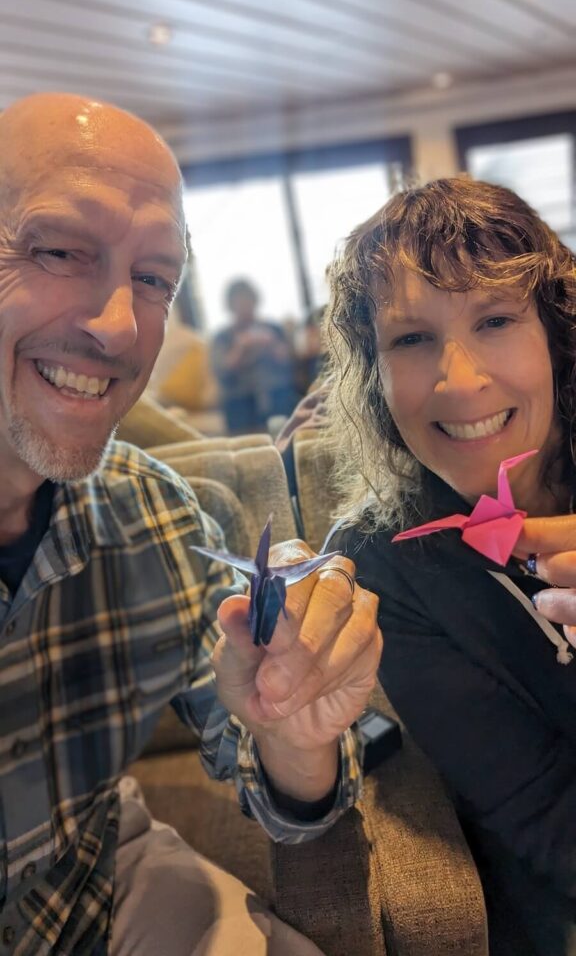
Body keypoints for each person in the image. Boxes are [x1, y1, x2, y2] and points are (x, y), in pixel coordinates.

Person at [0, 92, 382, 956]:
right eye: (58, 250)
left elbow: (272, 770)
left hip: (102, 891)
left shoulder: (155, 515)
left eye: (155, 281)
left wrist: (296, 721)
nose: (118, 326)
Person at [323, 177, 576, 955]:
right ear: (374, 371)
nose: (459, 379)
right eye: (411, 339)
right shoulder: (382, 563)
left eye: (495, 320)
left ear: (558, 335)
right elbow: (541, 811)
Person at [211, 278, 298, 433]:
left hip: (276, 393)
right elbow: (222, 371)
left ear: (255, 300)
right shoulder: (222, 337)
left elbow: (290, 361)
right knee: (238, 410)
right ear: (230, 306)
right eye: (239, 302)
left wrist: (271, 344)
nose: (245, 306)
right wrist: (240, 347)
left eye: (248, 300)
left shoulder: (273, 328)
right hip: (241, 399)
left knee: (286, 398)